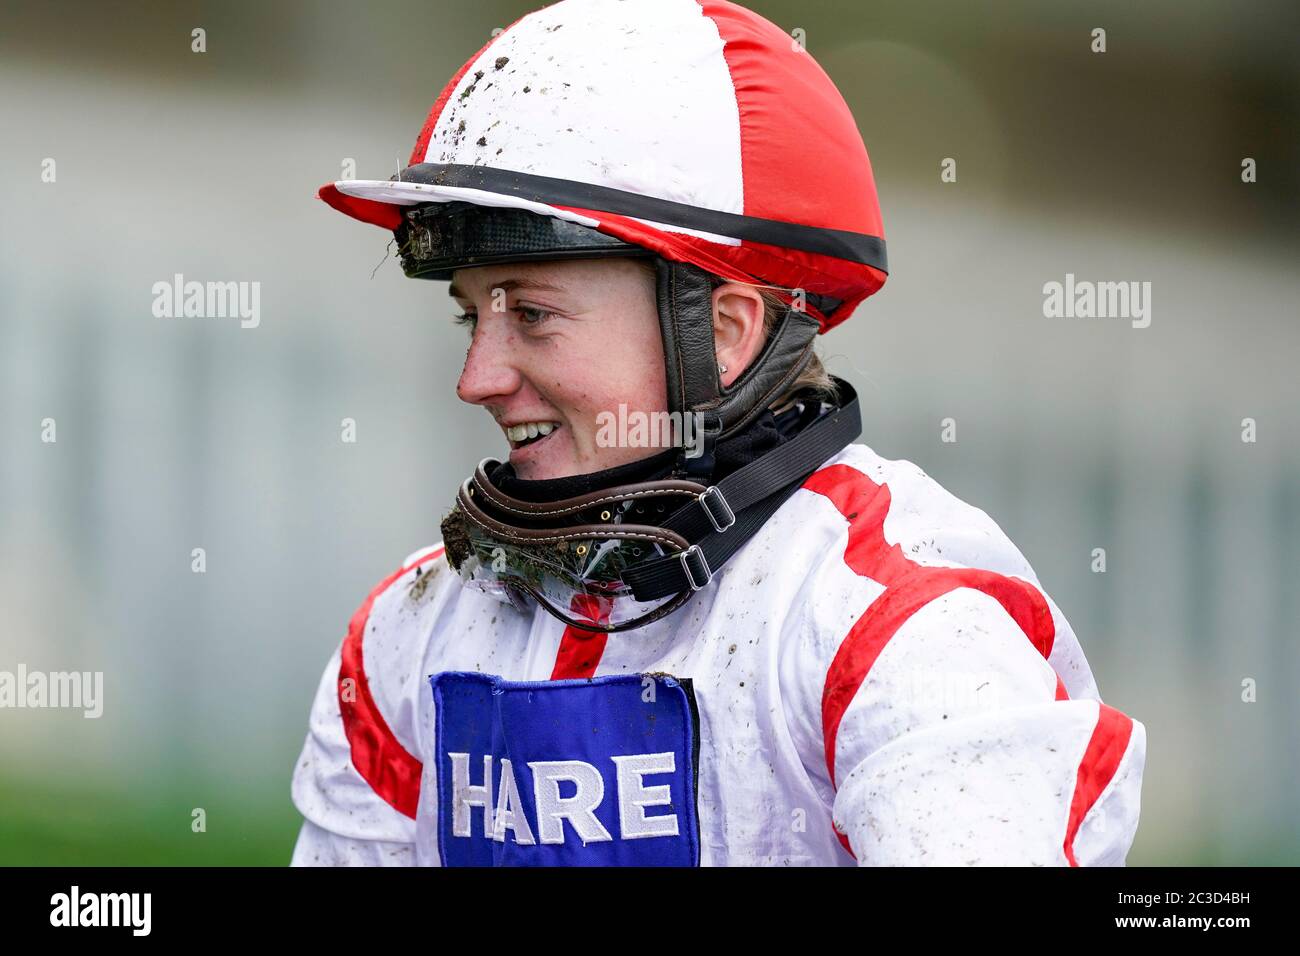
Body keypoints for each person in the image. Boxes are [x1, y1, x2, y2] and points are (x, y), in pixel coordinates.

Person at [291, 0, 1146, 866]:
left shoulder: (907, 629)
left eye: (535, 317)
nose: (476, 379)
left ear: (725, 331)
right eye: (469, 318)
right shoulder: (403, 631)